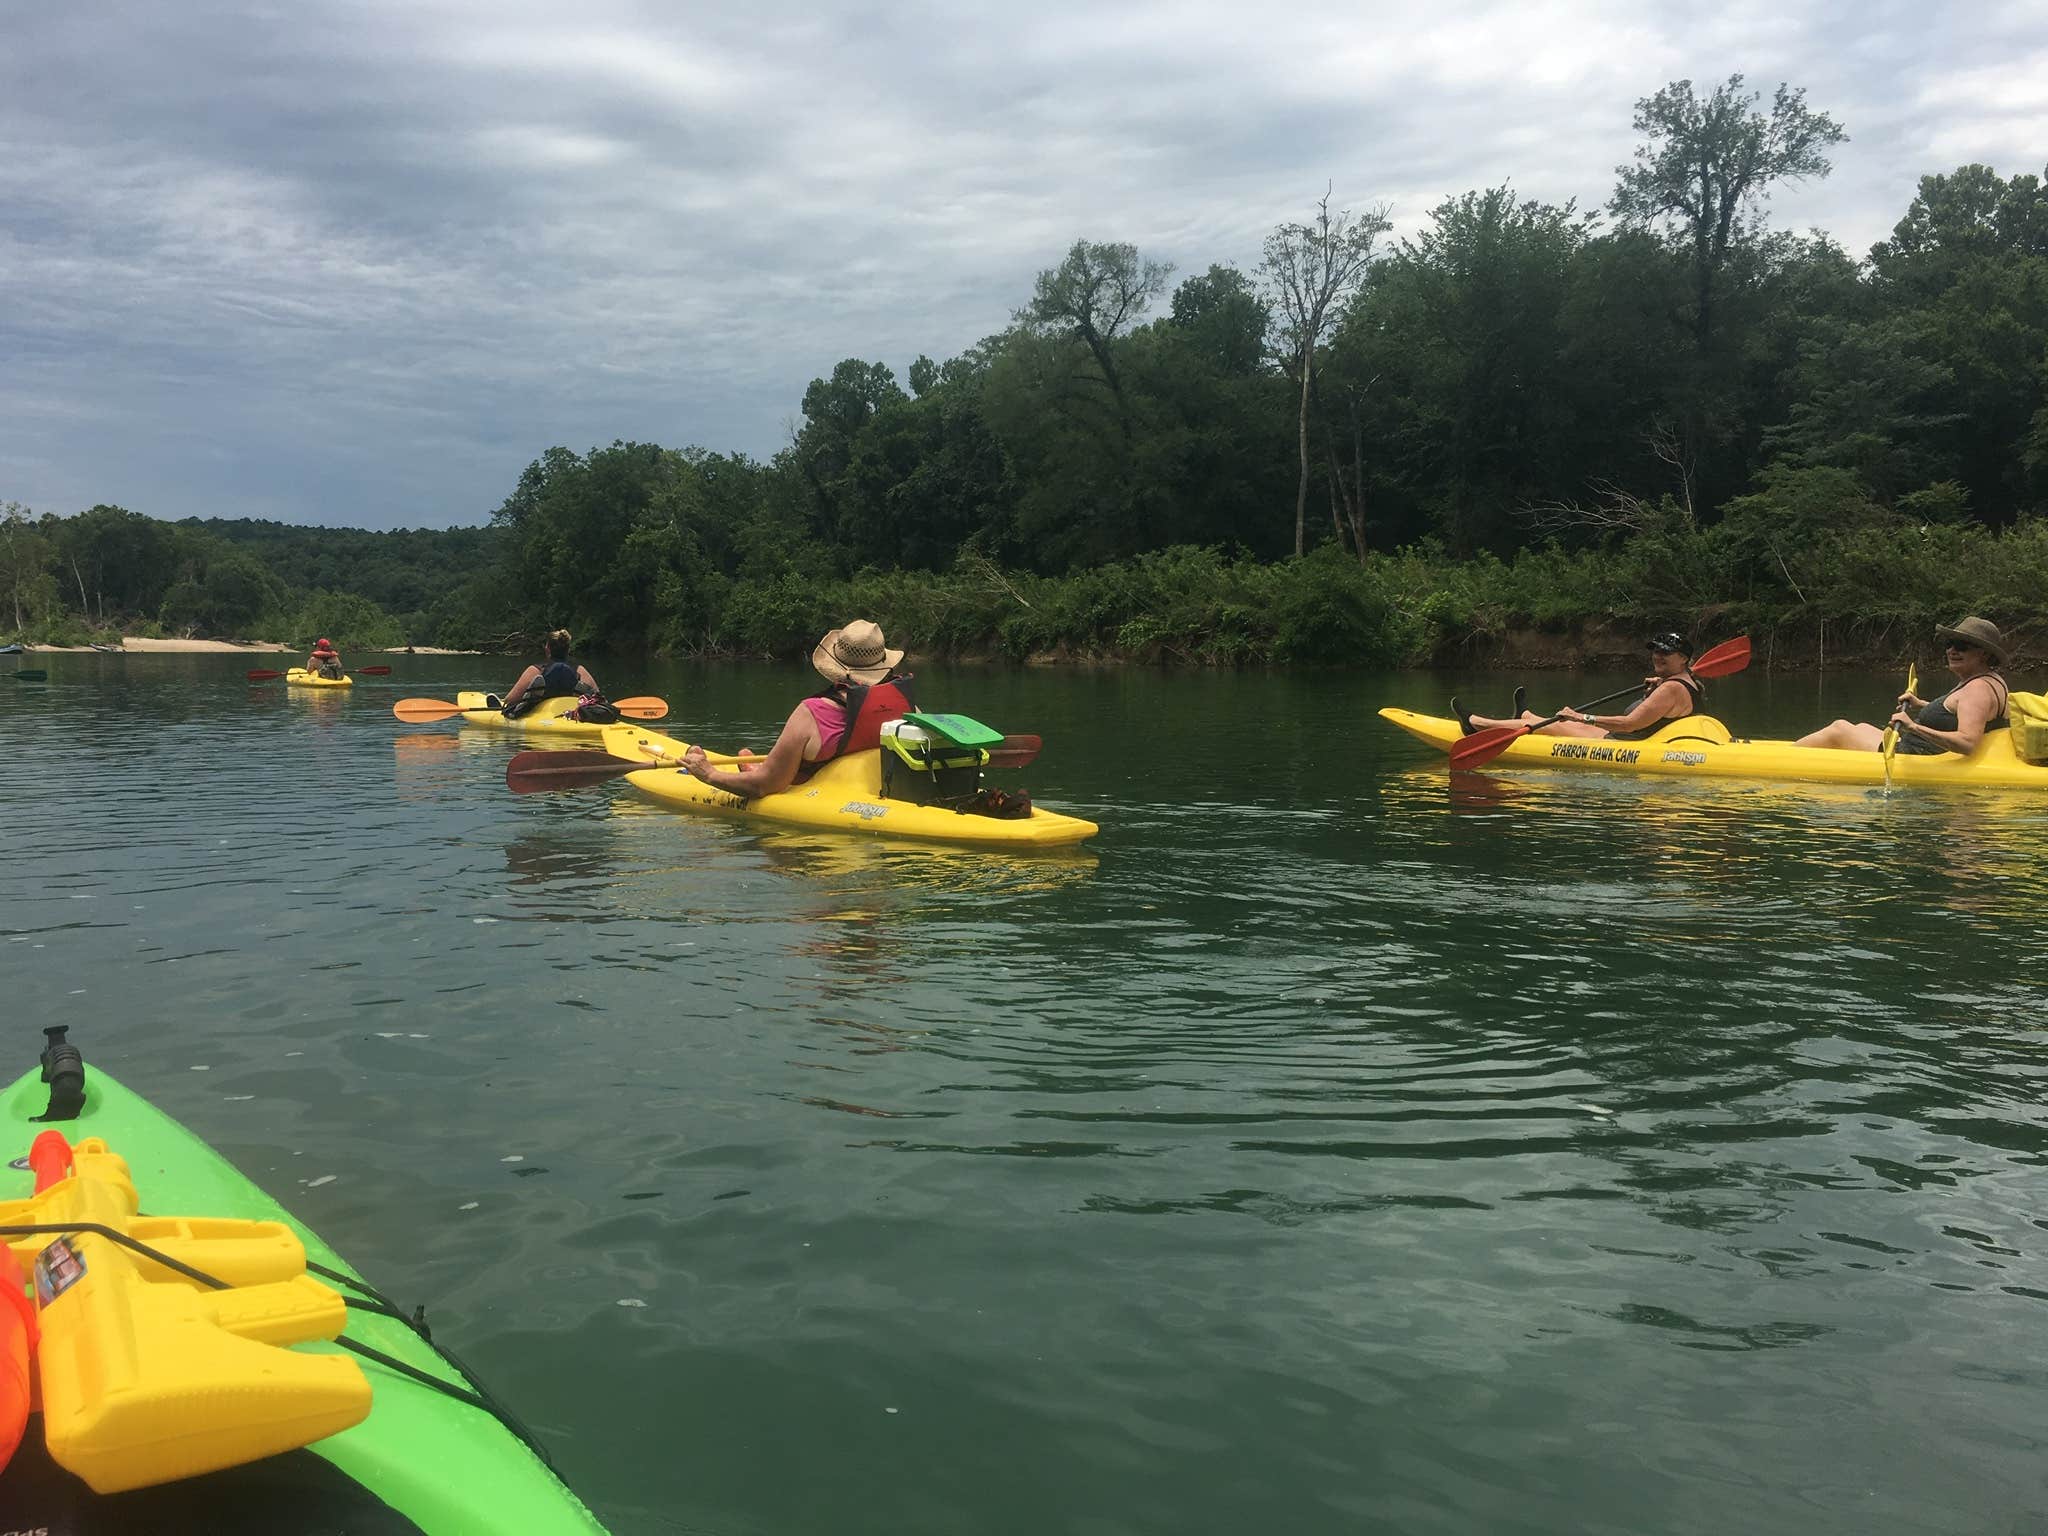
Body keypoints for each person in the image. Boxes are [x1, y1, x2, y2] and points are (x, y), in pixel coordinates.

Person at [680, 620, 914, 797]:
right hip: (872, 797)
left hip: (817, 800)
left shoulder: (812, 714)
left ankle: (754, 766)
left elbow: (766, 785)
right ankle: (753, 764)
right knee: (750, 759)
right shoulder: (908, 708)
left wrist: (709, 774)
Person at [1795, 616, 2010, 754]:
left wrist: (1913, 726)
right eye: (1949, 644)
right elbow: (1961, 713)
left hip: (1914, 758)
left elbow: (1967, 743)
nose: (1952, 651)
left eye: (1962, 646)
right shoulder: (1990, 680)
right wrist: (1921, 704)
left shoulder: (1977, 690)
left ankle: (1785, 757)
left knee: (1839, 728)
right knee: (1859, 727)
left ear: (1984, 654)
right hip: (1916, 749)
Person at [1454, 633, 1704, 740]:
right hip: (1636, 740)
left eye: (1666, 653)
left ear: (1683, 658)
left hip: (1627, 744)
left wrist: (1582, 717)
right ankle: (1526, 714)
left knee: (1552, 725)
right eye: (1656, 651)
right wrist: (1659, 686)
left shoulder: (1670, 688)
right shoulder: (1691, 682)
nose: (1658, 656)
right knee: (1561, 722)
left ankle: (1475, 724)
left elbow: (1630, 724)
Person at [494, 630, 600, 718]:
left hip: (542, 716)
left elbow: (511, 699)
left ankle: (532, 697)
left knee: (510, 704)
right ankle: (576, 695)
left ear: (547, 648)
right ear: (568, 649)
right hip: (571, 713)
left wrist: (503, 703)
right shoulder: (580, 671)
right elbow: (598, 698)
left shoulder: (536, 670)